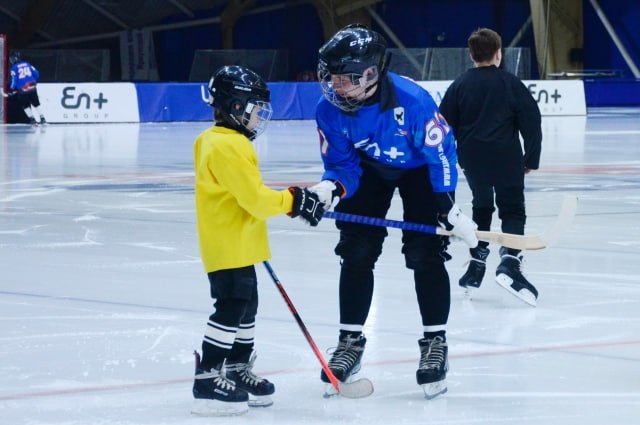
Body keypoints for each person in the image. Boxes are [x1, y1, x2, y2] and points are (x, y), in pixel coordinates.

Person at [308, 24, 478, 399]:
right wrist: (329, 187)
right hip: (368, 168)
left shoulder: (413, 101)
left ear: (372, 73)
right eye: (333, 78)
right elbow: (342, 165)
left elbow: (441, 154)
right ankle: (349, 341)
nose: (338, 87)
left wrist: (448, 208)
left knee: (424, 252)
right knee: (356, 250)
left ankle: (435, 341)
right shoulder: (329, 110)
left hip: (419, 170)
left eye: (347, 79)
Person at [191, 65, 325, 416]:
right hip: (228, 244)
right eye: (253, 107)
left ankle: (236, 368)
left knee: (246, 305)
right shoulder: (227, 146)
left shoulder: (221, 141)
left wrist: (292, 201)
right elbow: (255, 199)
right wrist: (293, 200)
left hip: (240, 242)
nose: (258, 115)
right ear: (235, 106)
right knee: (231, 306)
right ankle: (206, 376)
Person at [438, 28, 542, 306]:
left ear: (471, 54)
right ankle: (510, 261)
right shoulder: (510, 83)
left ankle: (477, 258)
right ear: (499, 53)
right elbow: (532, 122)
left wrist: (453, 158)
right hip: (506, 156)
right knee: (512, 208)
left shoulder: (459, 85)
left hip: (472, 157)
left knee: (481, 205)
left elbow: (442, 127)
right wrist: (531, 159)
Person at [8, 52, 46, 125]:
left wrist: (11, 90)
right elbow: (37, 74)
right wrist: (31, 80)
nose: (11, 60)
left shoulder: (14, 68)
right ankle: (42, 118)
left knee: (25, 105)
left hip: (23, 90)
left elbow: (14, 80)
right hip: (32, 86)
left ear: (15, 58)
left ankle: (32, 120)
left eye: (12, 59)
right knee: (36, 103)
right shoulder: (27, 64)